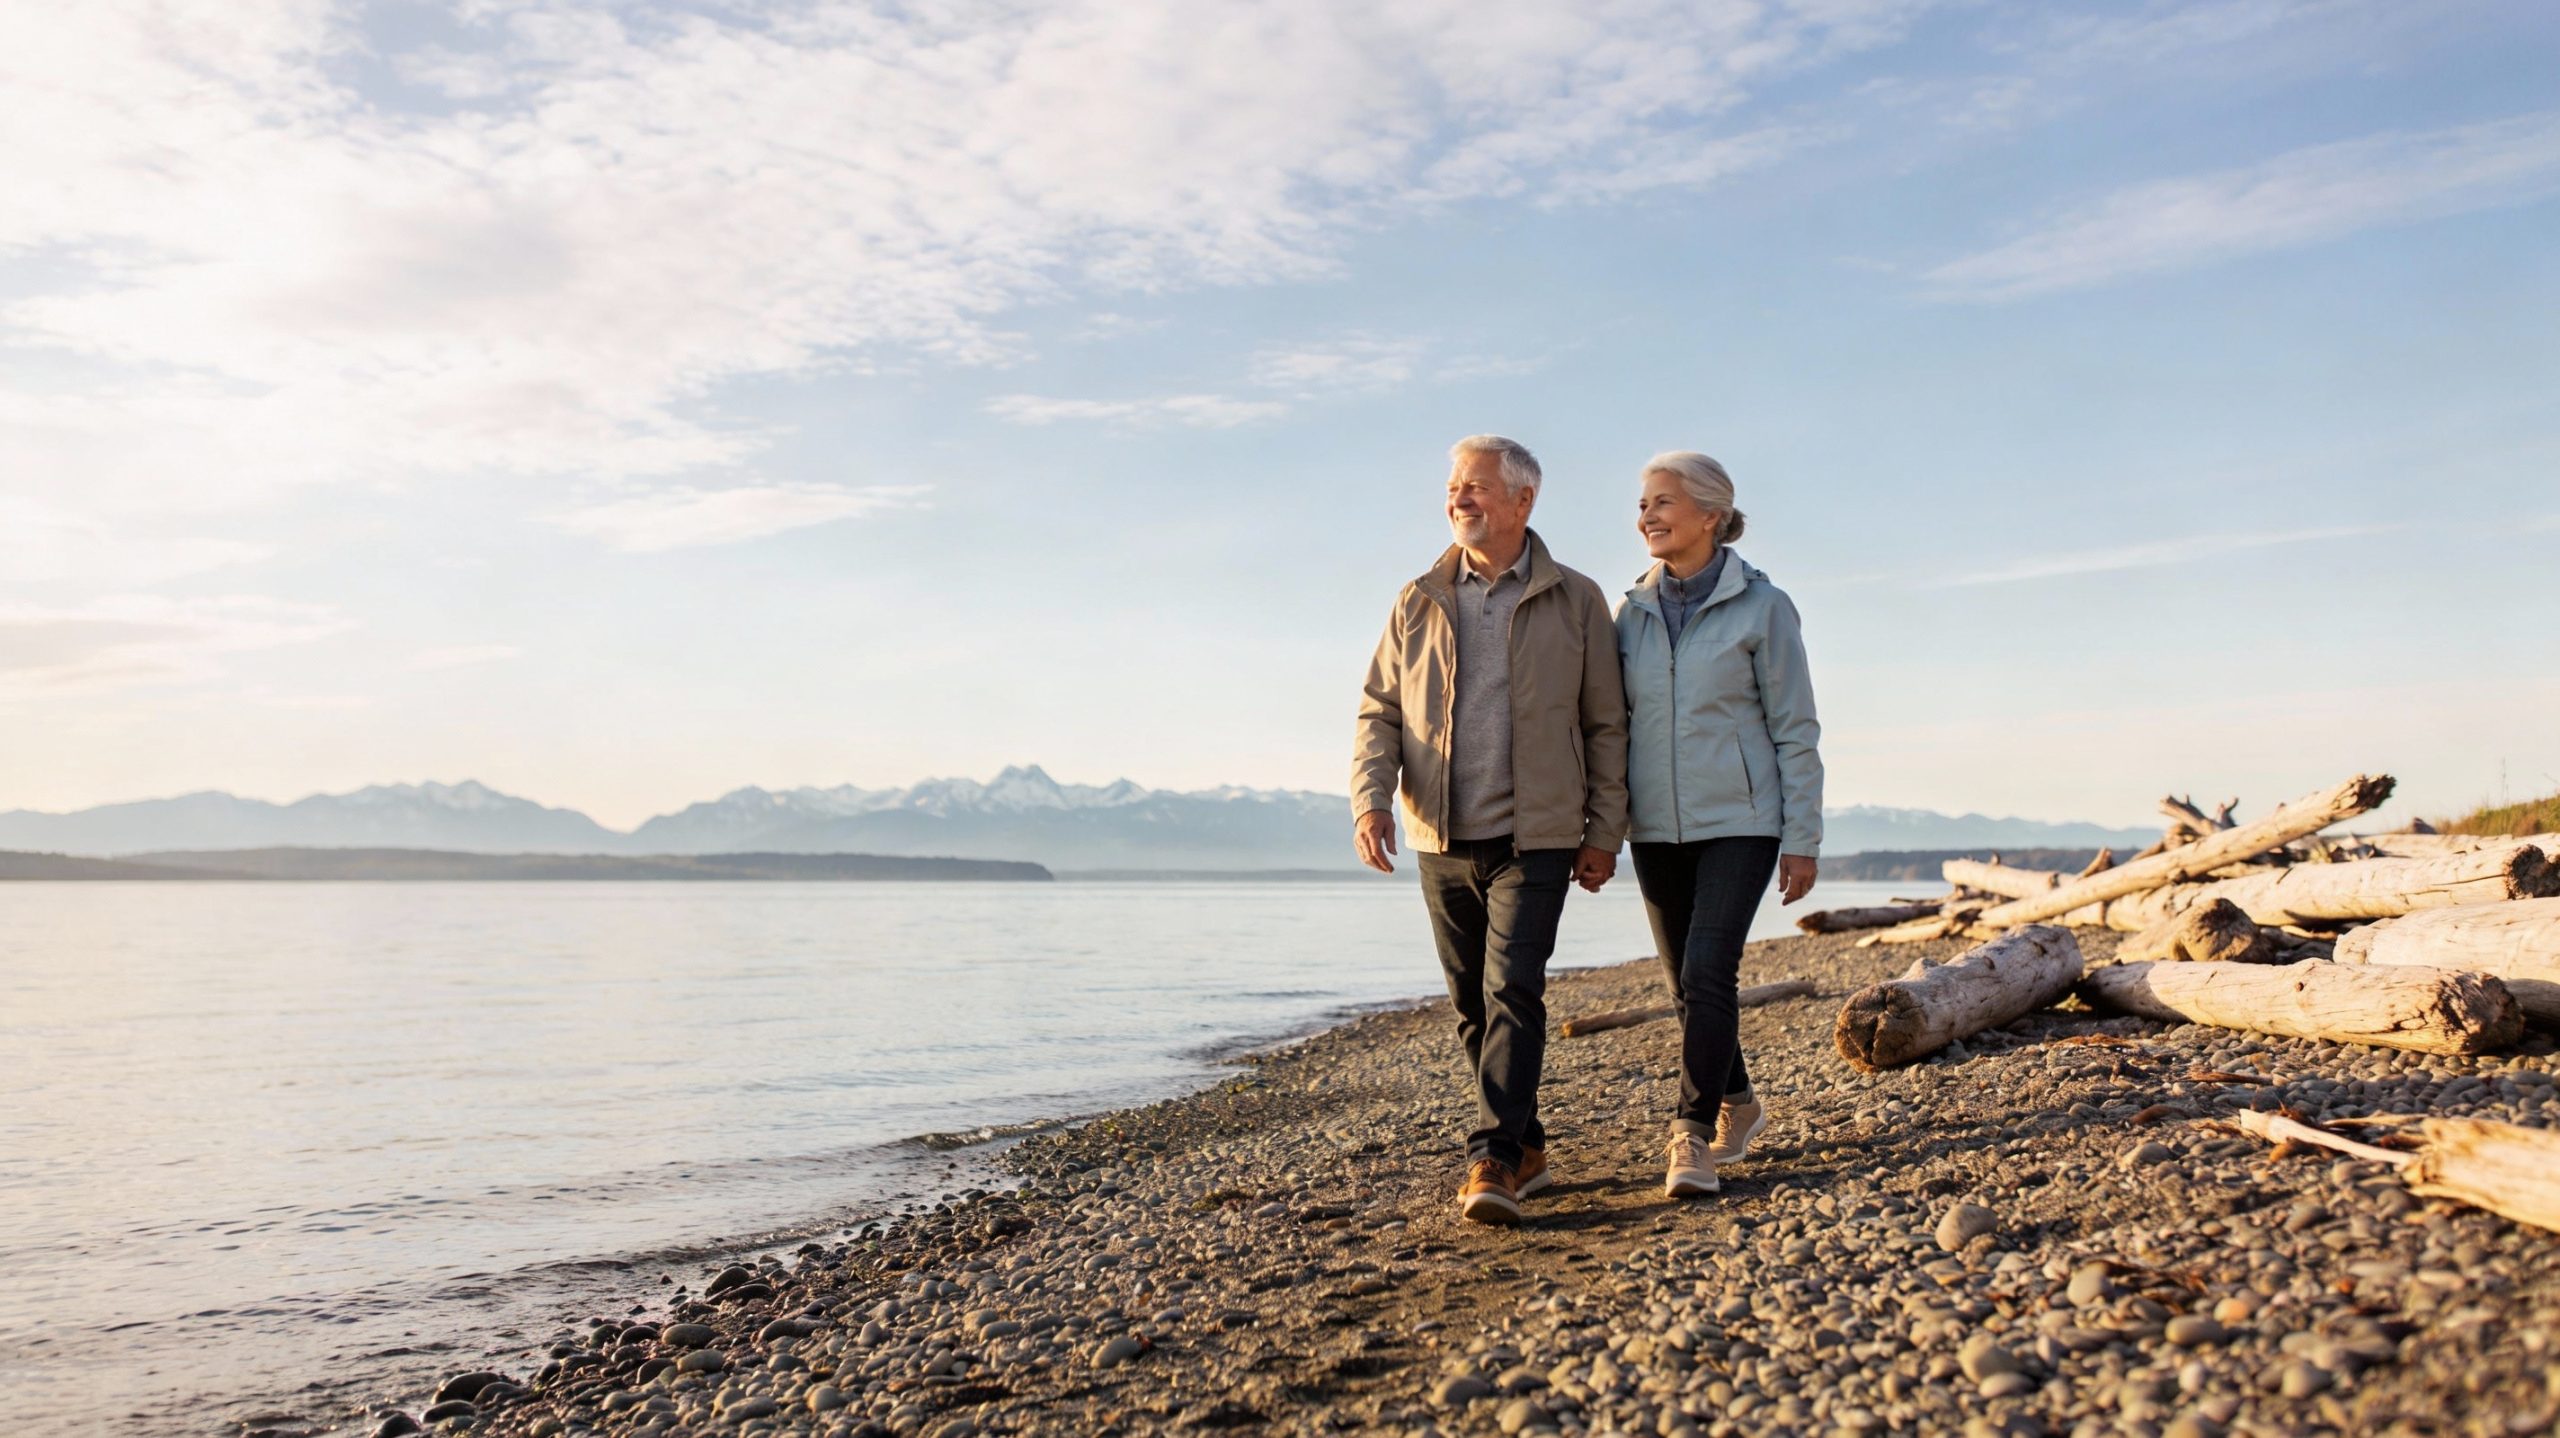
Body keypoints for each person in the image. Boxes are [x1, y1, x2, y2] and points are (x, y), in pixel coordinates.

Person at [1352, 434, 1629, 1225]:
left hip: (1535, 835)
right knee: (1473, 1004)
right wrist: (1371, 801)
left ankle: (1493, 1160)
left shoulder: (1576, 599)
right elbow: (1380, 711)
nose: (1458, 499)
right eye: (1452, 487)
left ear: (1521, 500)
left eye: (1474, 487)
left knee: (1513, 988)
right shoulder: (1417, 599)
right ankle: (1528, 1141)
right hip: (1441, 834)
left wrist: (1603, 829)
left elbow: (1606, 724)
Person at [1616, 451, 1823, 1198]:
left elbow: (1795, 727)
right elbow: (1613, 726)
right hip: (1654, 826)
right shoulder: (1629, 612)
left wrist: (1802, 835)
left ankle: (1691, 1134)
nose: (1647, 516)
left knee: (1709, 971)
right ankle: (1740, 1100)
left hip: (1742, 819)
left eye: (1663, 502)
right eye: (1642, 504)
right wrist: (1603, 824)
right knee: (1684, 984)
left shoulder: (1764, 608)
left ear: (1711, 514)